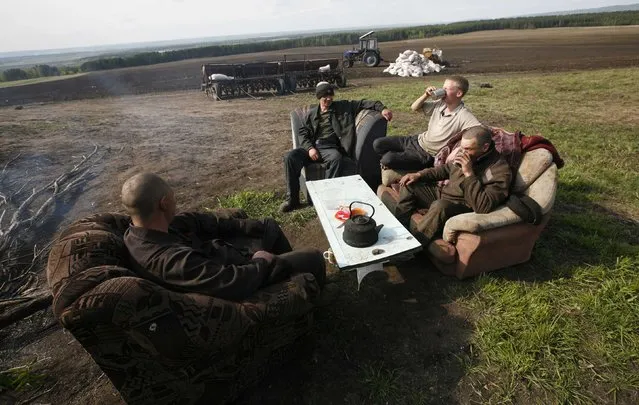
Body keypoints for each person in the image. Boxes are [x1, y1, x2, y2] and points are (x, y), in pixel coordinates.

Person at [121, 172, 326, 302]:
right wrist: (260, 262)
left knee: (267, 226)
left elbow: (201, 221)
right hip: (237, 275)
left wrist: (245, 226)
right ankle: (307, 291)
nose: (176, 203)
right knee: (314, 257)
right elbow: (229, 283)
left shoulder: (146, 228)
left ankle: (291, 278)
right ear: (164, 203)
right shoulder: (172, 261)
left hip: (222, 255)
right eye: (174, 199)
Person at [383, 126, 511, 248]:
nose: (462, 152)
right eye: (462, 148)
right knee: (410, 184)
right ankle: (399, 229)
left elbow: (483, 205)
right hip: (442, 194)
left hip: (462, 205)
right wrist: (418, 174)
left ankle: (412, 247)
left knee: (440, 206)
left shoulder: (499, 170)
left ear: (485, 147)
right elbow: (445, 170)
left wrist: (469, 173)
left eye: (468, 149)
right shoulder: (468, 155)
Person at [280, 81, 393, 212]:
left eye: (331, 96)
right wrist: (310, 148)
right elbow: (303, 133)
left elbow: (364, 103)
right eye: (325, 97)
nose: (329, 99)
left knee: (336, 158)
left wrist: (382, 108)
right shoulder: (311, 114)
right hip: (313, 147)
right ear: (319, 97)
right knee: (290, 157)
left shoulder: (343, 107)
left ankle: (327, 198)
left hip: (330, 147)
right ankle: (292, 200)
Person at [373, 75, 481, 171]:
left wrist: (458, 149)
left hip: (427, 154)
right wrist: (426, 95)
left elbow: (480, 131)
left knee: (388, 159)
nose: (442, 91)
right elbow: (414, 107)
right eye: (442, 88)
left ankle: (397, 163)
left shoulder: (463, 115)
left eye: (446, 89)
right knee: (377, 143)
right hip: (417, 140)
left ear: (459, 93)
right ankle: (393, 161)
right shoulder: (440, 104)